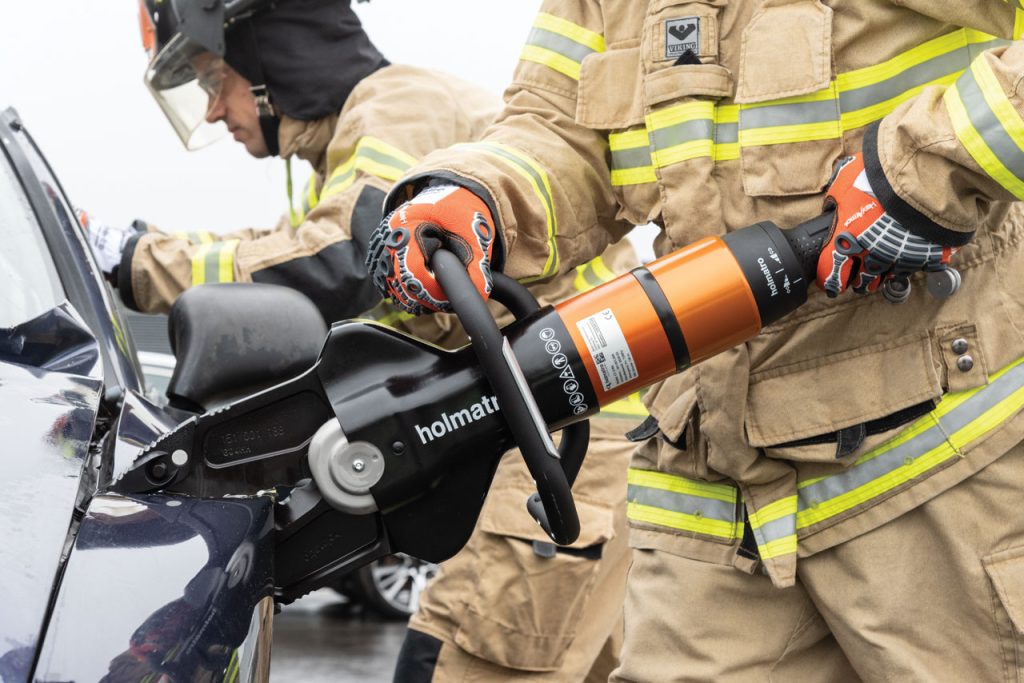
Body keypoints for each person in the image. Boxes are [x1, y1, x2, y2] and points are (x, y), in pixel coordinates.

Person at [367, 2, 1024, 680]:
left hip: (940, 463)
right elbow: (558, 126)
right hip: (713, 486)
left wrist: (930, 167)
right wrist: (477, 195)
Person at [89, 1, 645, 680]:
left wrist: (139, 262)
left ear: (269, 60)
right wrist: (138, 249)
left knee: (457, 665)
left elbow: (343, 264)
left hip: (554, 428)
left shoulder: (397, 107)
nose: (212, 110)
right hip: (556, 428)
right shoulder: (350, 149)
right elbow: (279, 248)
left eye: (214, 80)